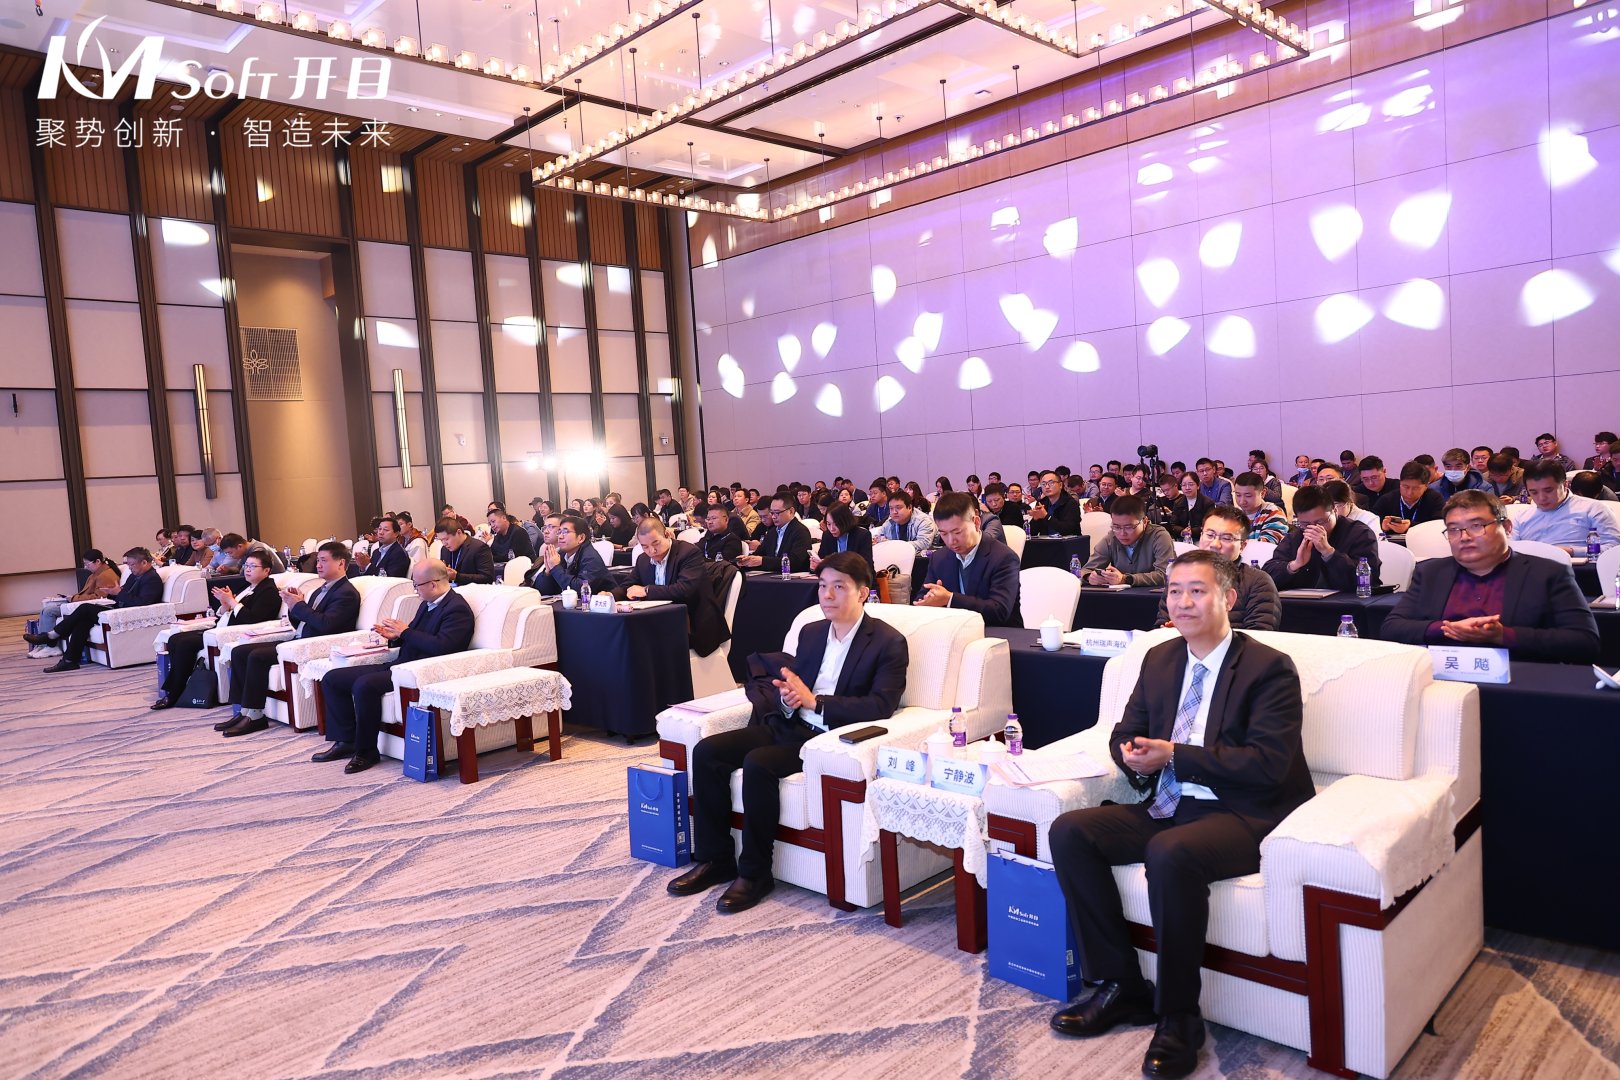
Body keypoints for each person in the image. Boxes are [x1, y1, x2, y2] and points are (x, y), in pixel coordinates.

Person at [1048, 551, 1312, 1080]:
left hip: (1243, 811)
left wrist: (1174, 755)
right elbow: (1125, 731)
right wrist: (1131, 754)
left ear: (1228, 598)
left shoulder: (1269, 668)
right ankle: (1121, 986)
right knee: (1072, 831)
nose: (1183, 602)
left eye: (1197, 590)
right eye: (1174, 591)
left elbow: (1268, 765)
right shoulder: (1160, 658)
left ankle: (1180, 1016)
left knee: (1170, 852)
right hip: (1170, 802)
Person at [667, 552, 908, 914]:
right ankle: (716, 859)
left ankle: (755, 873)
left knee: (759, 763)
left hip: (827, 739)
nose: (827, 595)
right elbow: (797, 686)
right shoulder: (812, 632)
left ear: (862, 593)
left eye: (839, 587)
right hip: (790, 724)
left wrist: (817, 703)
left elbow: (881, 705)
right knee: (707, 752)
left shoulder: (888, 641)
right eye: (822, 586)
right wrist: (788, 698)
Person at [1382, 491, 1600, 662]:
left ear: (1506, 527)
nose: (1464, 537)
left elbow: (1584, 641)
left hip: (1520, 682)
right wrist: (1446, 629)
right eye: (1454, 529)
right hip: (1446, 679)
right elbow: (1391, 627)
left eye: (1476, 526)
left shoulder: (1547, 573)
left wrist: (1503, 635)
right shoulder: (1431, 572)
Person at [312, 559, 474, 773]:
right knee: (333, 678)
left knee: (364, 685)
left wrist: (404, 632)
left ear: (433, 584)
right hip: (400, 665)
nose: (415, 590)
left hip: (419, 672)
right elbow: (415, 637)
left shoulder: (457, 609)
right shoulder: (427, 603)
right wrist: (395, 637)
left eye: (417, 585)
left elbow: (443, 647)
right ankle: (346, 741)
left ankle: (366, 751)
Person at [217, 541, 363, 737]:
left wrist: (299, 606)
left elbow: (327, 625)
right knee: (240, 651)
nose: (318, 565)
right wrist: (293, 606)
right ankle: (242, 710)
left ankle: (255, 715)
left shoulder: (346, 593)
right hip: (299, 638)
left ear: (341, 563)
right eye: (318, 561)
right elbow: (303, 620)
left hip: (316, 644)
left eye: (323, 560)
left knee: (257, 656)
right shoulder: (320, 589)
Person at [150, 551, 281, 709]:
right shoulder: (247, 587)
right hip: (220, 627)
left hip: (233, 633)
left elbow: (253, 618)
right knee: (175, 639)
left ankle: (175, 693)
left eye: (253, 566)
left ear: (266, 570)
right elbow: (227, 613)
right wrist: (225, 604)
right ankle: (177, 687)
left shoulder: (269, 591)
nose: (247, 569)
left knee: (185, 644)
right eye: (246, 565)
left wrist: (231, 601)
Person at [28, 548, 165, 672]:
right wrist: (112, 593)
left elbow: (142, 603)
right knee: (83, 621)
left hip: (128, 614)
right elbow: (124, 593)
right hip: (119, 609)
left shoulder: (152, 579)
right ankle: (69, 660)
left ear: (144, 563)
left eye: (132, 564)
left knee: (85, 608)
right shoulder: (135, 575)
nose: (129, 568)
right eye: (128, 564)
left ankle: (53, 635)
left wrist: (119, 593)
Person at [1152, 505, 1280, 631]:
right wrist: (1170, 631)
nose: (1215, 544)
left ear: (1242, 546)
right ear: (1201, 535)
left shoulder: (1258, 582)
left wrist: (1201, 634)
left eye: (1226, 538)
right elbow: (1162, 625)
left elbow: (1260, 634)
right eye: (1210, 535)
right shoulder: (1180, 577)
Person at [912, 492, 1021, 626]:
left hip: (998, 633)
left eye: (957, 532)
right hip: (954, 631)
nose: (951, 541)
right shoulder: (939, 557)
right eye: (944, 534)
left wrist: (949, 599)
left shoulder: (1004, 557)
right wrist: (927, 601)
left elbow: (999, 611)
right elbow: (922, 597)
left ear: (976, 522)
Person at [627, 517, 731, 657]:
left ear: (666, 534)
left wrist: (647, 590)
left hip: (692, 624)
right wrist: (609, 596)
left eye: (656, 543)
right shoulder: (643, 559)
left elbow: (684, 589)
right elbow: (628, 585)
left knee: (644, 644)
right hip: (659, 622)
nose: (652, 551)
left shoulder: (688, 553)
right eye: (645, 546)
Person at [1263, 485, 1381, 591]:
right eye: (1305, 524)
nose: (1314, 528)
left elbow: (1369, 579)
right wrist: (1294, 565)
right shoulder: (1296, 537)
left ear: (1335, 511)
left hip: (1348, 602)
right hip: (1302, 603)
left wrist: (1329, 553)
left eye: (1320, 522)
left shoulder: (1359, 533)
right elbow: (1267, 576)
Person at [27, 549, 122, 658]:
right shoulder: (95, 574)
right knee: (46, 609)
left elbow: (99, 597)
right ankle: (43, 645)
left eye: (87, 564)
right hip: (80, 603)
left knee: (49, 611)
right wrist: (71, 598)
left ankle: (51, 646)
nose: (85, 567)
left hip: (88, 606)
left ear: (98, 561)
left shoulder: (105, 575)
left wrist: (74, 598)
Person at [1513, 460, 1620, 552]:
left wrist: (1572, 551)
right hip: (1532, 567)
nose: (1541, 498)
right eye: (1534, 492)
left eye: (1548, 490)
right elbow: (1510, 550)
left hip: (1579, 567)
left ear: (1565, 485)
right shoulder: (1521, 516)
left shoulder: (1593, 509)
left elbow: (1614, 547)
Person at [1082, 495, 1175, 589]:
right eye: (1116, 527)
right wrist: (1089, 577)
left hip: (1154, 596)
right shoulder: (1111, 538)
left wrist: (1126, 579)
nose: (1122, 533)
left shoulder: (1159, 536)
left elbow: (1165, 575)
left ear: (1145, 521)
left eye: (1129, 527)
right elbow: (1084, 571)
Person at [529, 515, 607, 595]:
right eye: (559, 532)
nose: (560, 536)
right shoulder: (562, 554)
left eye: (565, 532)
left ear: (581, 538)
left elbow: (581, 590)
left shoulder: (590, 558)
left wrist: (555, 568)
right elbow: (542, 591)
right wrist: (547, 573)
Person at [742, 494, 814, 571]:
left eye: (777, 513)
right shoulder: (772, 532)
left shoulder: (801, 532)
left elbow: (795, 562)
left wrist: (763, 561)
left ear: (791, 511)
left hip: (793, 576)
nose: (773, 517)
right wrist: (746, 560)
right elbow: (759, 554)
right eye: (772, 513)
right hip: (771, 574)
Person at [1372, 461, 1447, 535]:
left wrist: (1410, 526)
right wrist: (1382, 527)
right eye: (1406, 487)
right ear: (1400, 483)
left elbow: (1439, 525)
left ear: (1426, 486)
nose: (1409, 493)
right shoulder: (1387, 500)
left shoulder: (1435, 499)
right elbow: (1372, 524)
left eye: (1415, 488)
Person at [812, 503, 875, 577]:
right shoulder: (827, 535)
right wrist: (815, 567)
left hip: (858, 579)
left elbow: (867, 567)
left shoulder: (862, 535)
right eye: (828, 524)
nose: (832, 529)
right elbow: (822, 560)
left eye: (836, 524)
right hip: (833, 580)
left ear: (845, 521)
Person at [434, 517, 496, 585]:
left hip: (473, 590)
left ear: (459, 532)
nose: (444, 543)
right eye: (441, 540)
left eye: (446, 539)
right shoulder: (444, 550)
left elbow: (488, 578)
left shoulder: (479, 548)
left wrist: (457, 577)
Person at [1232, 473, 1288, 545]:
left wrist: (1232, 543)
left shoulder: (1274, 512)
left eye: (1248, 496)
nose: (1242, 501)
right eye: (1238, 495)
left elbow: (1266, 544)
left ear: (1262, 493)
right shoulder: (1233, 514)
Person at [879, 489, 939, 554]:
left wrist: (894, 545)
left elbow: (924, 544)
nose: (894, 512)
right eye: (891, 508)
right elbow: (879, 536)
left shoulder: (923, 521)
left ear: (910, 507)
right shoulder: (890, 521)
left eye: (898, 508)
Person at [1029, 470, 1082, 536]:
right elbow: (1031, 533)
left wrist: (1046, 516)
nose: (1047, 487)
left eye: (1051, 483)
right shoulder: (1042, 503)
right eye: (1043, 484)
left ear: (1060, 485)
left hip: (1068, 541)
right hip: (1046, 541)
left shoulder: (1070, 503)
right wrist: (1035, 519)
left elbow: (1067, 530)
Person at [1169, 473, 1214, 540]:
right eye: (1184, 485)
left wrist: (1192, 531)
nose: (1187, 488)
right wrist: (1182, 531)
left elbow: (1209, 525)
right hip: (1182, 538)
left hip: (1201, 538)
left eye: (1191, 484)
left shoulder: (1207, 503)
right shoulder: (1178, 503)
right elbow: (1173, 524)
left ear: (1198, 486)